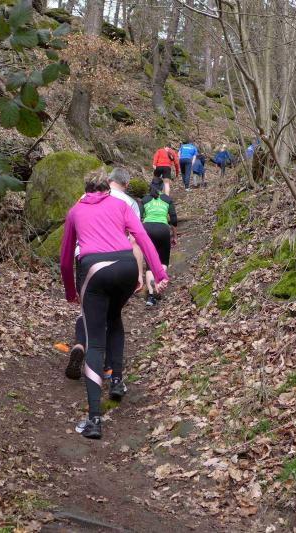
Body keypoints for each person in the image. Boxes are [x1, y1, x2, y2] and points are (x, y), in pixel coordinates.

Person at [60, 170, 168, 439]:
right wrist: (159, 273)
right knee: (115, 317)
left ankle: (94, 420)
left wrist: (71, 291)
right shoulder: (121, 205)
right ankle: (117, 380)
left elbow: (65, 259)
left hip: (95, 269)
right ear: (107, 189)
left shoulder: (75, 211)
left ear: (86, 190)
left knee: (96, 342)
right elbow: (142, 237)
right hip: (126, 267)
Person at [65, 168, 144, 382]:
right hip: (118, 260)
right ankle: (110, 366)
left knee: (88, 310)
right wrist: (139, 273)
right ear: (126, 184)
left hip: (85, 259)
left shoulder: (83, 198)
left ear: (109, 180)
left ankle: (80, 345)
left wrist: (69, 287)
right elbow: (135, 240)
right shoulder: (129, 203)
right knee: (112, 314)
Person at [141, 177, 177, 306]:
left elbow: (138, 217)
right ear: (162, 187)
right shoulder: (167, 199)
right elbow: (173, 219)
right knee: (163, 261)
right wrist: (174, 236)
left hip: (147, 230)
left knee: (149, 264)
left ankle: (151, 297)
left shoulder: (145, 199)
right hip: (163, 230)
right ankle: (159, 286)